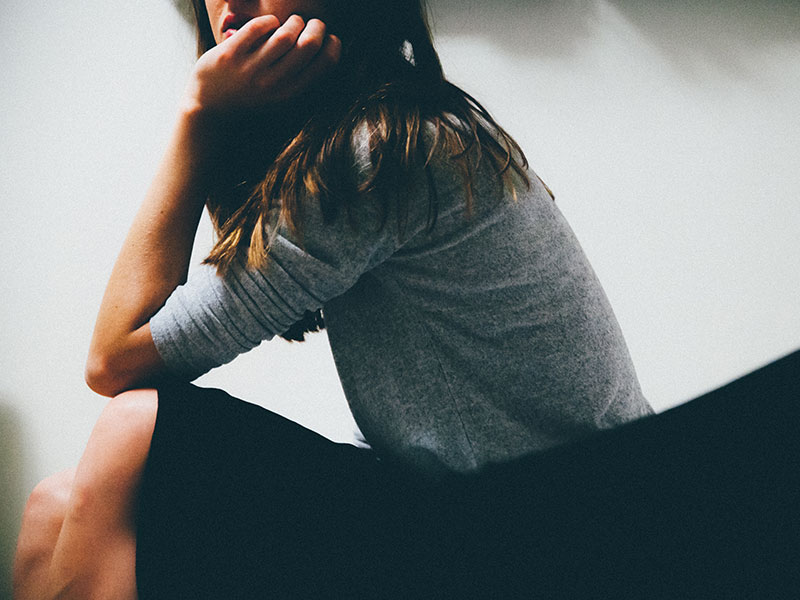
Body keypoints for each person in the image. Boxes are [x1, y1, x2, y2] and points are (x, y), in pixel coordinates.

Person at [12, 1, 661, 598]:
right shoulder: (390, 132)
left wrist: (197, 117)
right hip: (480, 517)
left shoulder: (383, 149)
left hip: (559, 537)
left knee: (133, 429)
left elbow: (113, 360)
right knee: (52, 504)